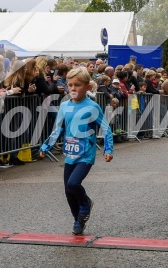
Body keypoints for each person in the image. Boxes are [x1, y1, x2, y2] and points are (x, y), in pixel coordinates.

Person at [39, 67, 113, 235]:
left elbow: (106, 129)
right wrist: (45, 146)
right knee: (68, 190)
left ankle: (86, 203)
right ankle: (78, 220)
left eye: (77, 85)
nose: (73, 88)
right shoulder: (65, 106)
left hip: (86, 154)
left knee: (73, 184)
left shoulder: (92, 107)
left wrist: (108, 149)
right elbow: (57, 129)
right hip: (70, 153)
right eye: (70, 85)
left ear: (87, 87)